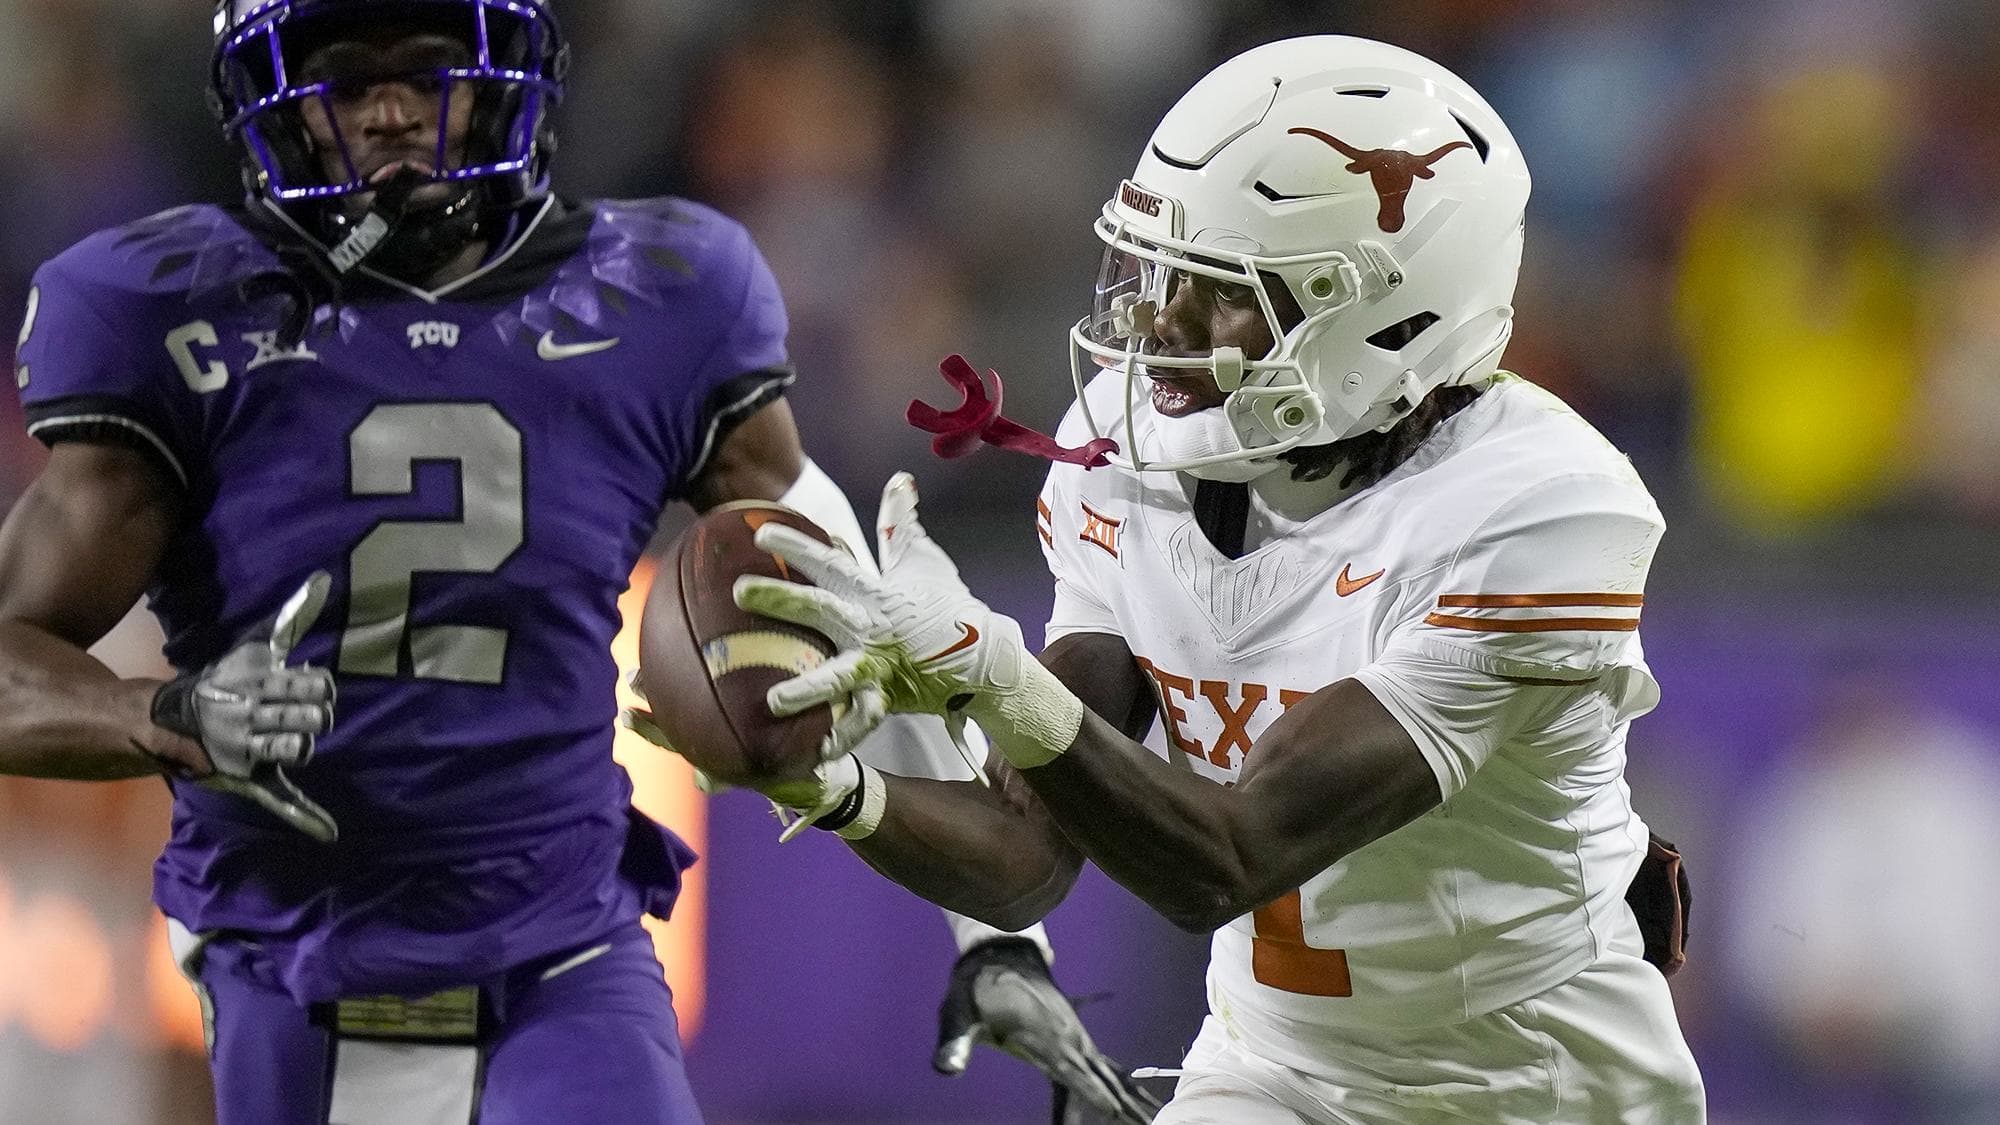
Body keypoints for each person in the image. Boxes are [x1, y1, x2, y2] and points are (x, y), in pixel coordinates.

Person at [0, 1, 1149, 1121]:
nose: (395, 112)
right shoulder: (175, 316)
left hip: (562, 937)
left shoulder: (659, 294)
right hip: (294, 947)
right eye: (350, 78)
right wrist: (168, 708)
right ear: (276, 103)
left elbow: (855, 607)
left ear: (509, 75)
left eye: (431, 68)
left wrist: (998, 938)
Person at [647, 35, 1708, 1124]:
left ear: (1392, 316)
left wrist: (988, 674)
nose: (1159, 323)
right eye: (1158, 273)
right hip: (1275, 1068)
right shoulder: (1126, 463)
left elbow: (1231, 853)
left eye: (1220, 291)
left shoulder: (1537, 509)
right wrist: (836, 791)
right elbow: (1026, 854)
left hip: (1537, 1084)